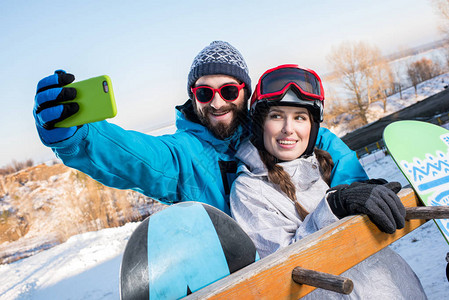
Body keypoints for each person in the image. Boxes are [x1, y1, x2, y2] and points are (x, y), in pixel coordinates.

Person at [33, 41, 368, 216]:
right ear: (193, 98)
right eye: (205, 93)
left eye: (229, 90)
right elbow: (135, 157)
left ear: (246, 93)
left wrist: (353, 193)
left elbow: (326, 146)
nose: (217, 102)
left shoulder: (273, 132)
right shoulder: (184, 156)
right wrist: (81, 136)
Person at [230, 64, 427, 299]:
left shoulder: (322, 166)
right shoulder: (248, 189)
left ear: (312, 128)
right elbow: (281, 269)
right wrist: (334, 207)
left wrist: (361, 208)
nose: (288, 129)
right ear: (260, 125)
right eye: (276, 116)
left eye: (300, 117)